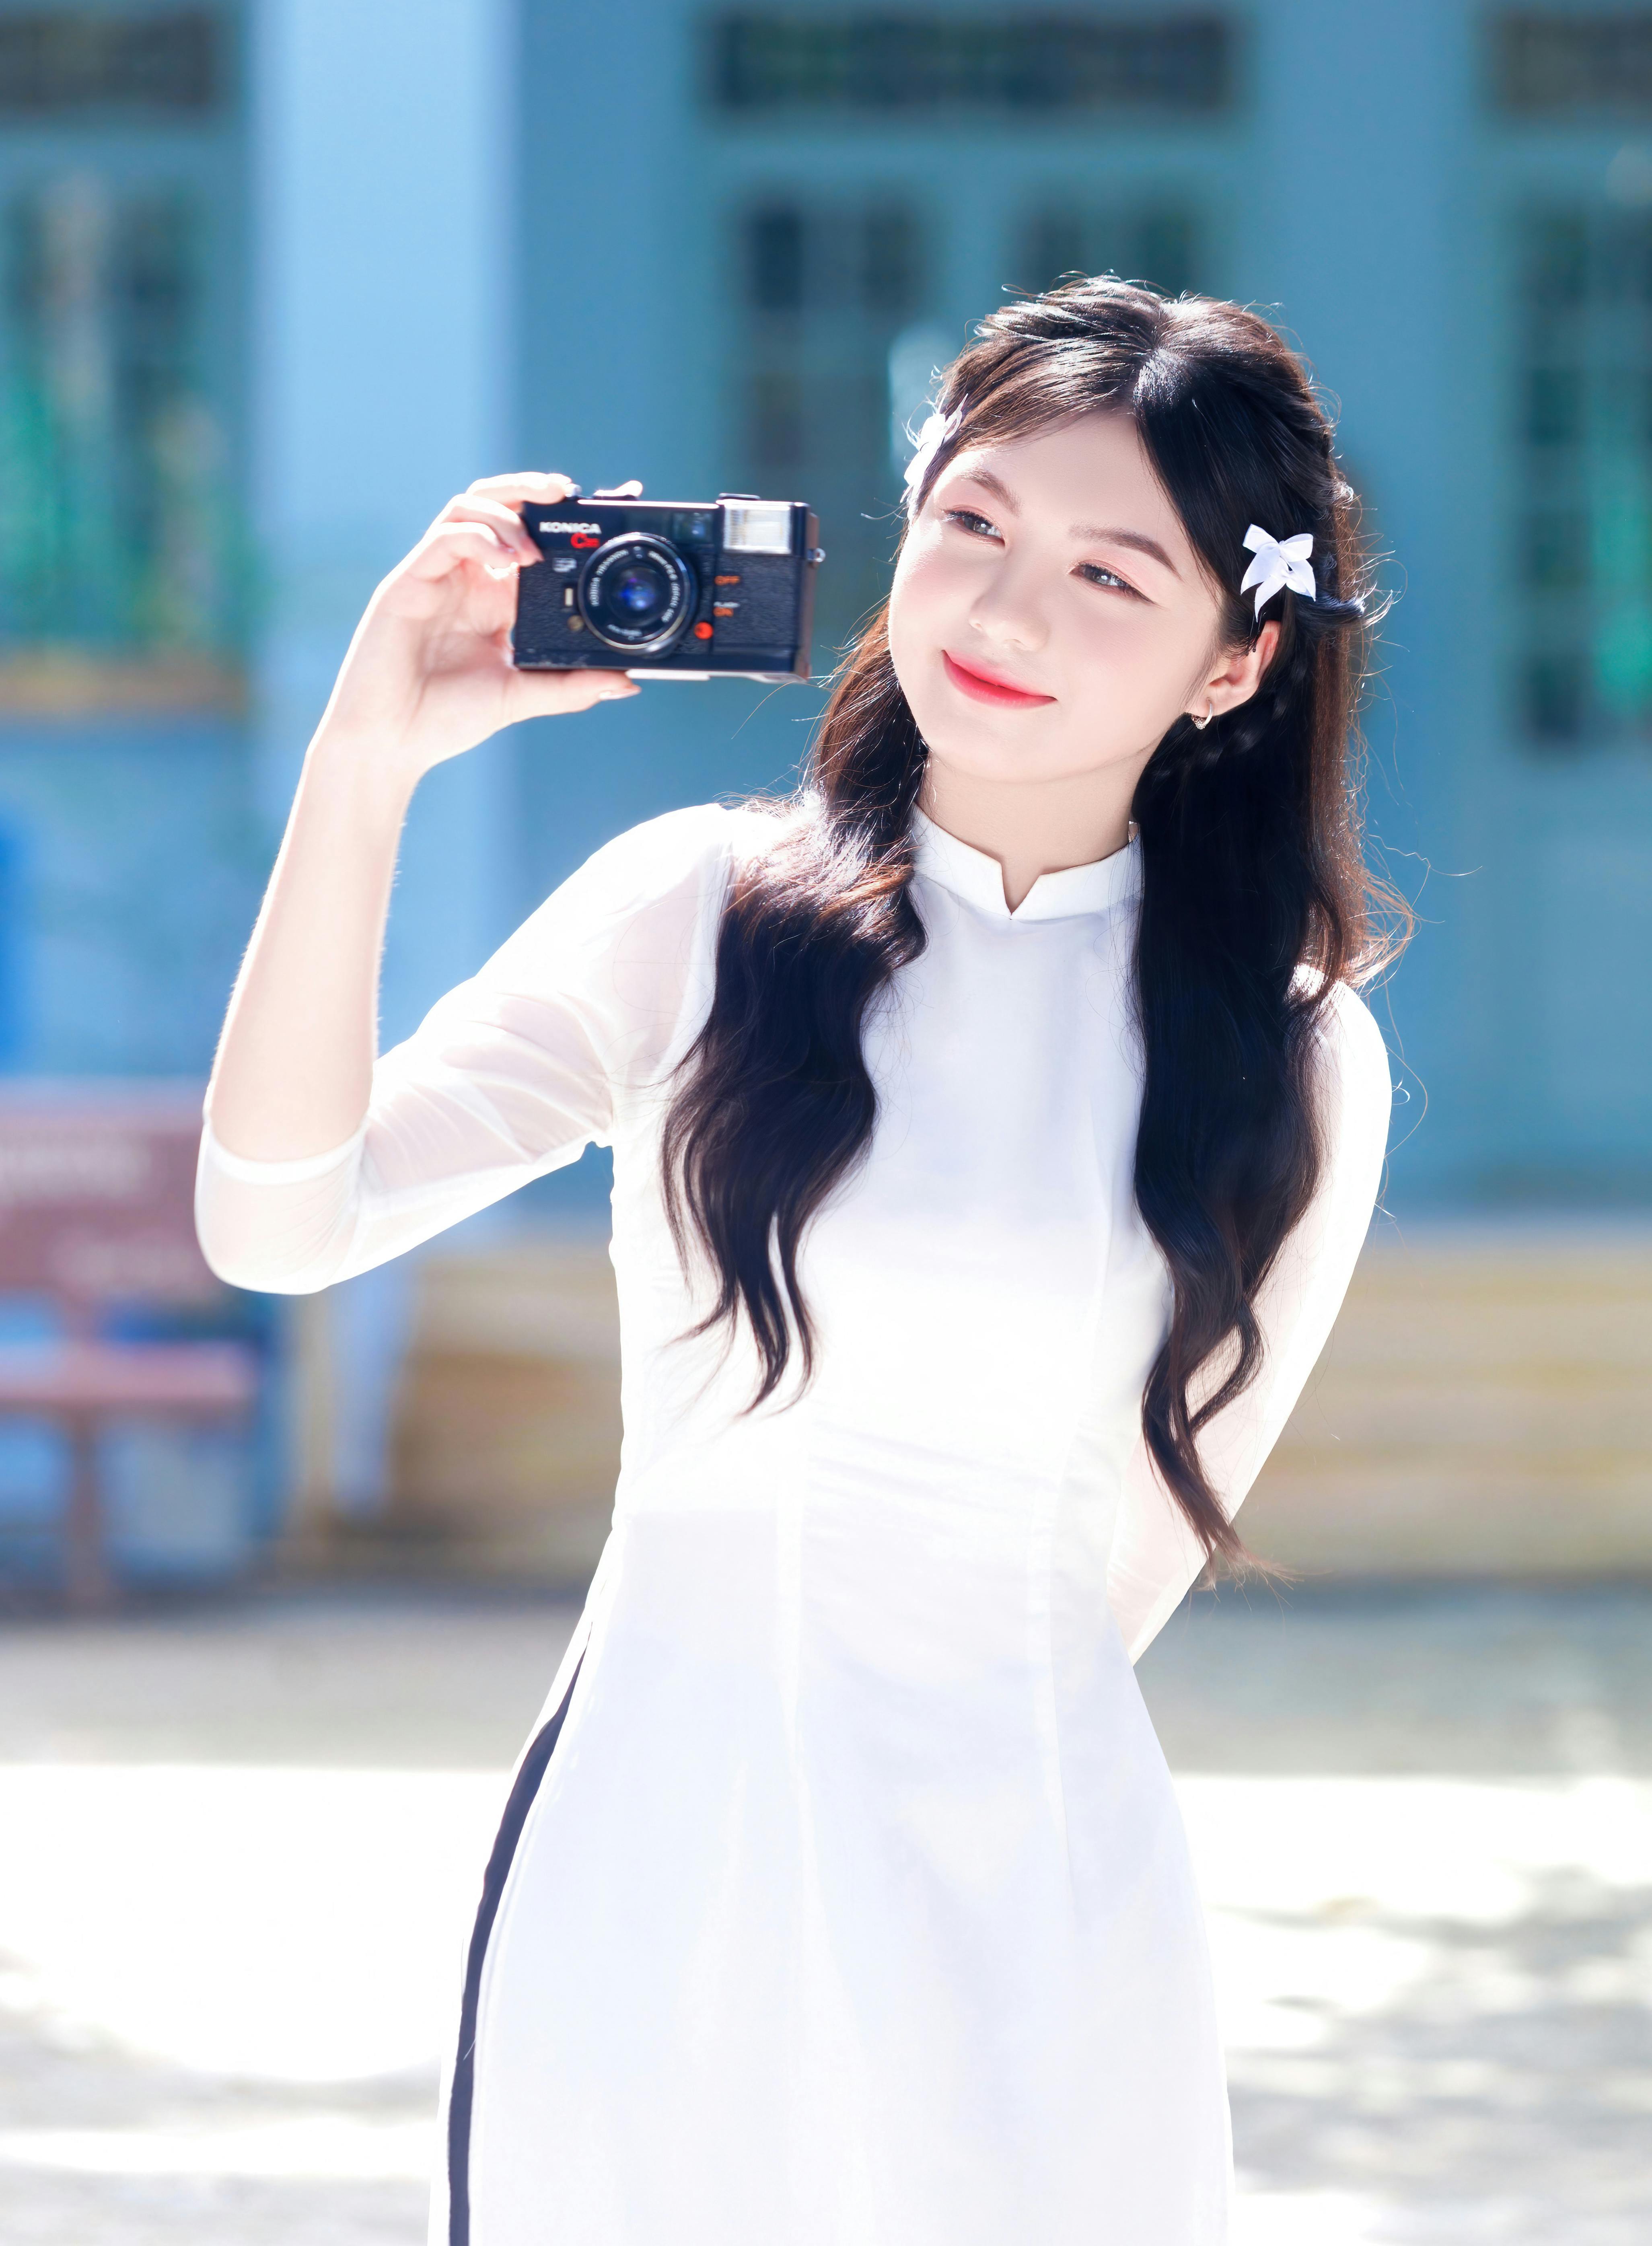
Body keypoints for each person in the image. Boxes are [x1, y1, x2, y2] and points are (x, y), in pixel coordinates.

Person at [197, 278, 1402, 2246]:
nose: (1006, 616)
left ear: (1232, 659)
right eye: (975, 526)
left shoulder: (1290, 1052)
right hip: (656, 1864)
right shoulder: (697, 911)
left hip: (1039, 1888)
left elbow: (1145, 1543)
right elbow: (275, 1218)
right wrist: (364, 762)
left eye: (1114, 576)